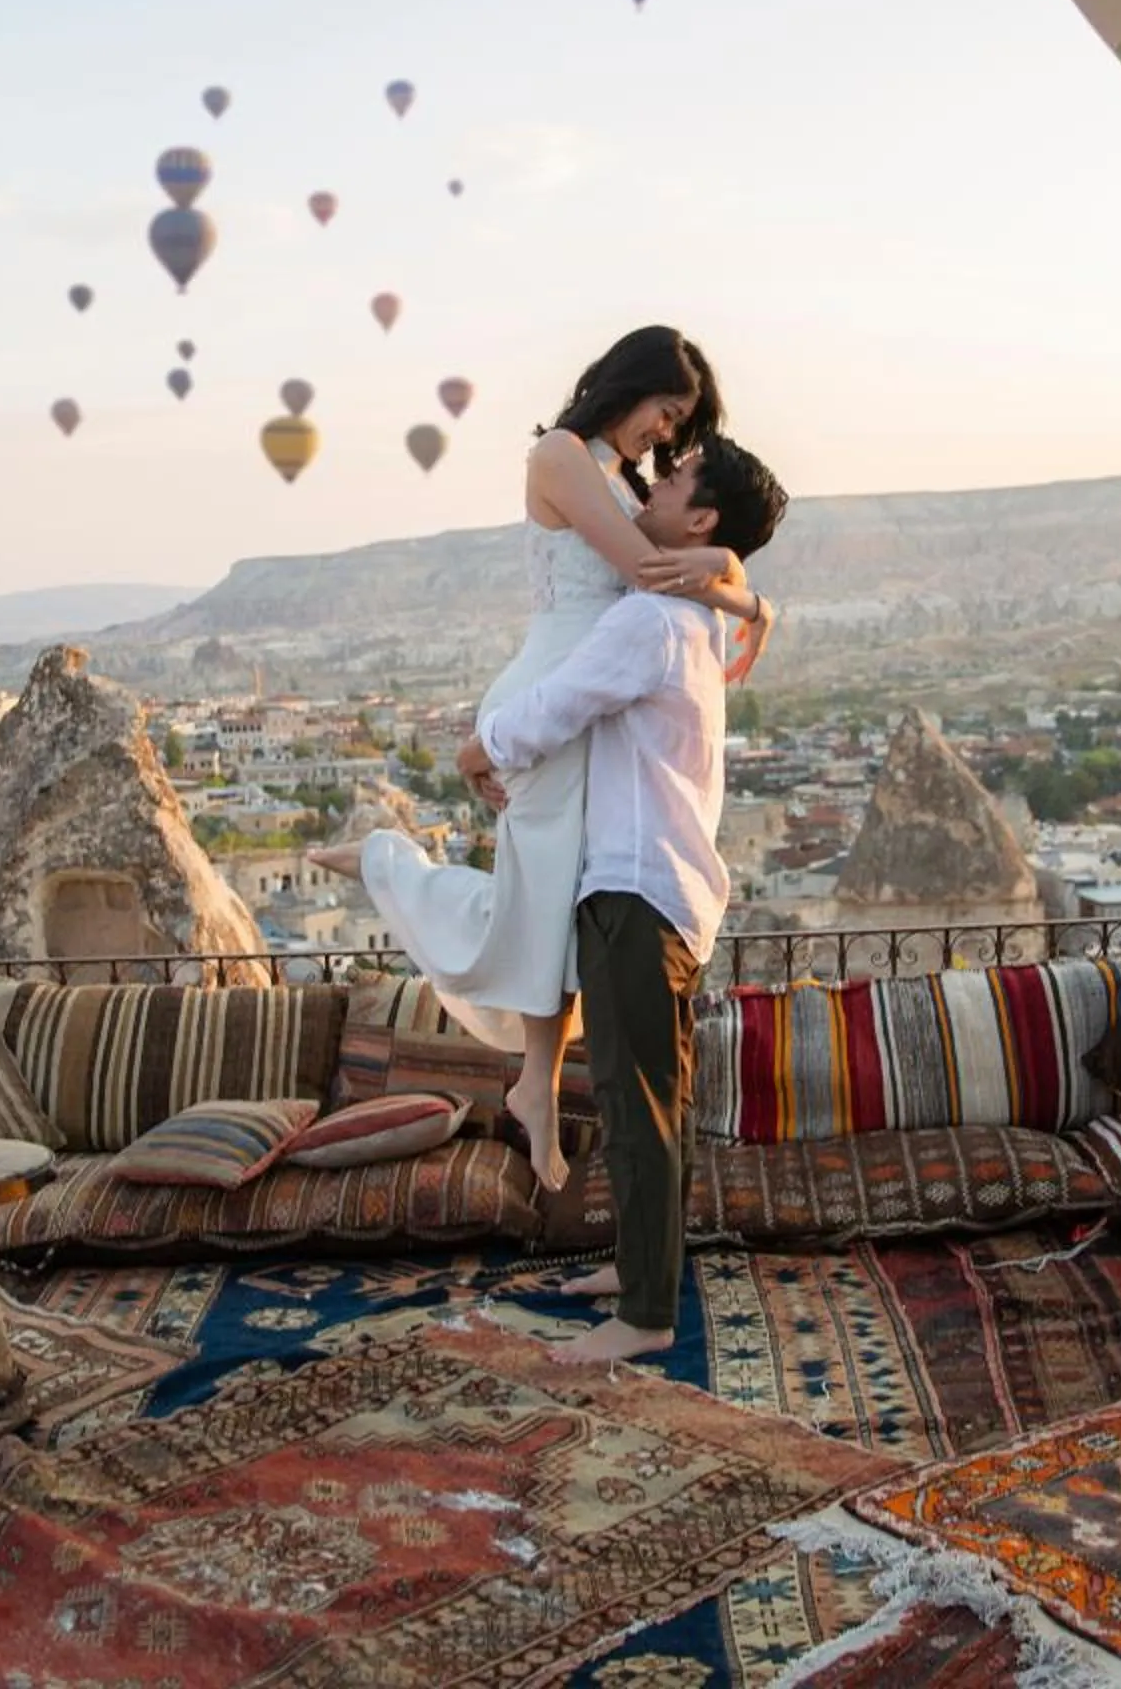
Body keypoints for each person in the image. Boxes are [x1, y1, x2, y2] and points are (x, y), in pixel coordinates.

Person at [311, 327, 775, 1192]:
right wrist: (744, 587)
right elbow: (649, 570)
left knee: (556, 906)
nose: (665, 437)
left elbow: (668, 563)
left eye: (680, 426)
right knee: (535, 905)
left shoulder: (620, 477)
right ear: (629, 385)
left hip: (586, 706)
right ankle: (388, 864)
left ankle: (533, 1082)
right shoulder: (561, 455)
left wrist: (737, 582)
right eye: (666, 412)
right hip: (544, 703)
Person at [456, 433, 785, 1364]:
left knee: (632, 1104)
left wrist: (477, 749)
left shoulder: (650, 623)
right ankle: (648, 1270)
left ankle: (644, 1317)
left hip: (635, 891)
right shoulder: (696, 620)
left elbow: (561, 701)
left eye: (675, 478)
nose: (655, 480)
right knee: (658, 1101)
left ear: (703, 516)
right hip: (671, 889)